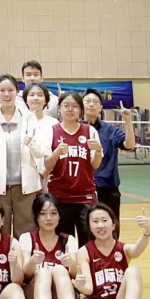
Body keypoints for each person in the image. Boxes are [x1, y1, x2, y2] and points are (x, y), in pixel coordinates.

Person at [0, 74, 45, 238]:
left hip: (25, 186)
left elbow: (40, 152)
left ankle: (25, 256)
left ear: (17, 91)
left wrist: (32, 143)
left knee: (26, 230)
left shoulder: (29, 117)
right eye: (2, 90)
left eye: (10, 90)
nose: (6, 94)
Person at [19, 194, 80, 299]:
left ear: (59, 216)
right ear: (36, 217)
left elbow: (75, 274)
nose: (48, 218)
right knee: (44, 272)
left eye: (53, 213)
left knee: (60, 269)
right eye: (43, 213)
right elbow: (25, 274)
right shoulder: (27, 238)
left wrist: (70, 264)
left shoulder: (69, 240)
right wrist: (33, 261)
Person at [44, 92, 102, 245]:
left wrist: (98, 150)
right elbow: (47, 165)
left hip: (85, 196)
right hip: (59, 196)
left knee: (88, 242)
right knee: (64, 244)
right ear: (59, 108)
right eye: (66, 105)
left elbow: (95, 165)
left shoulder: (90, 131)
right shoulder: (51, 131)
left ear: (81, 110)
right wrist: (57, 153)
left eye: (75, 106)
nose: (70, 109)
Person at [82, 89, 135, 220]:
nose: (91, 104)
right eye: (87, 101)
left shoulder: (110, 130)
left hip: (107, 187)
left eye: (95, 102)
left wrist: (128, 121)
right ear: (81, 105)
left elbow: (129, 145)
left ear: (101, 107)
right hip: (82, 188)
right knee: (85, 228)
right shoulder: (74, 129)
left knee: (111, 227)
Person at [23, 83, 59, 189]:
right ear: (26, 100)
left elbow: (56, 151)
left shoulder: (54, 124)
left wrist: (44, 172)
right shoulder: (20, 122)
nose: (35, 98)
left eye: (40, 95)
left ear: (46, 100)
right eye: (32, 95)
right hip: (24, 177)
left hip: (49, 176)